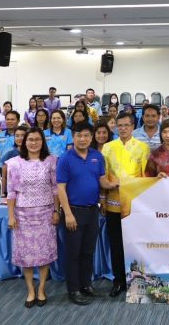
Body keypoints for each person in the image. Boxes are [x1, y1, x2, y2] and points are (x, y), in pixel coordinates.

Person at [57, 122, 118, 305]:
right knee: (73, 253)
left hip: (92, 211)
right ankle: (74, 290)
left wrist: (115, 184)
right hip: (73, 211)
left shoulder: (97, 156)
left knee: (88, 251)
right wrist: (68, 214)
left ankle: (86, 285)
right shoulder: (65, 159)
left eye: (86, 135)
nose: (82, 139)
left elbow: (102, 180)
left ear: (91, 137)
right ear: (73, 137)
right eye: (79, 135)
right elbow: (60, 188)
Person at [7, 128, 59, 308]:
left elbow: (55, 189)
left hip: (46, 213)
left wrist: (56, 211)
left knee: (44, 254)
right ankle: (30, 290)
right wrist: (11, 216)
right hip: (22, 215)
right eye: (30, 139)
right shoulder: (14, 163)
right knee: (26, 255)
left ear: (42, 141)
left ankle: (42, 288)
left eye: (37, 139)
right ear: (24, 142)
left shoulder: (51, 161)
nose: (34, 143)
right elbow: (11, 192)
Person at [101, 114, 150, 297]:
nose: (122, 129)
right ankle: (119, 280)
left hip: (134, 203)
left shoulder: (143, 147)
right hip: (113, 201)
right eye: (119, 125)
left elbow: (145, 176)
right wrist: (103, 199)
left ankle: (138, 279)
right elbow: (103, 175)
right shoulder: (108, 147)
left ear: (132, 127)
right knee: (116, 243)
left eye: (126, 125)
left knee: (136, 242)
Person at [1, 125, 28, 197]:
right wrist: (3, 193)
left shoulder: (32, 153)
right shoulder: (9, 154)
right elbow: (4, 177)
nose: (20, 138)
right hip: (12, 192)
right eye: (17, 136)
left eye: (22, 135)